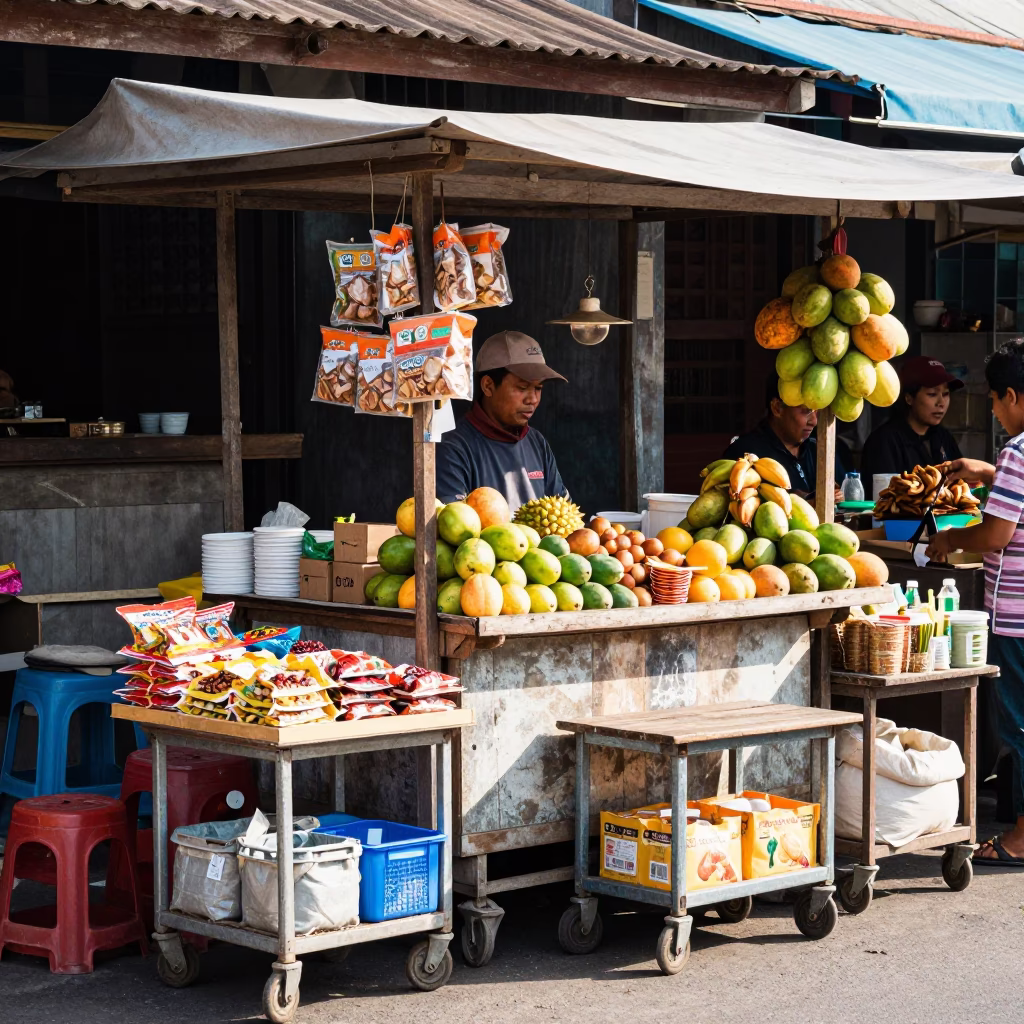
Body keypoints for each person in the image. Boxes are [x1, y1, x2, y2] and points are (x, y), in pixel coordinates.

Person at [926, 339, 1024, 866]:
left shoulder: (1018, 452)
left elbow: (996, 534)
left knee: (1020, 727)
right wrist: (988, 473)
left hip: (1015, 616)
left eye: (994, 399)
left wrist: (949, 541)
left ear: (1012, 395)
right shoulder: (1010, 459)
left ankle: (1021, 838)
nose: (992, 408)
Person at [436, 330, 568, 508]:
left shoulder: (537, 443)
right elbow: (454, 525)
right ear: (488, 386)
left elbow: (564, 513)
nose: (533, 399)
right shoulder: (453, 448)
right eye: (522, 387)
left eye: (538, 388)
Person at [723, 377, 850, 499]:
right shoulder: (745, 453)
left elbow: (847, 498)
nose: (814, 421)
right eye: (807, 411)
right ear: (777, 408)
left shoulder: (818, 449)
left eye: (817, 412)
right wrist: (804, 503)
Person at [860, 356, 963, 487]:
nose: (941, 403)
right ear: (909, 398)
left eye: (946, 394)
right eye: (932, 394)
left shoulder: (943, 437)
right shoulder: (884, 442)